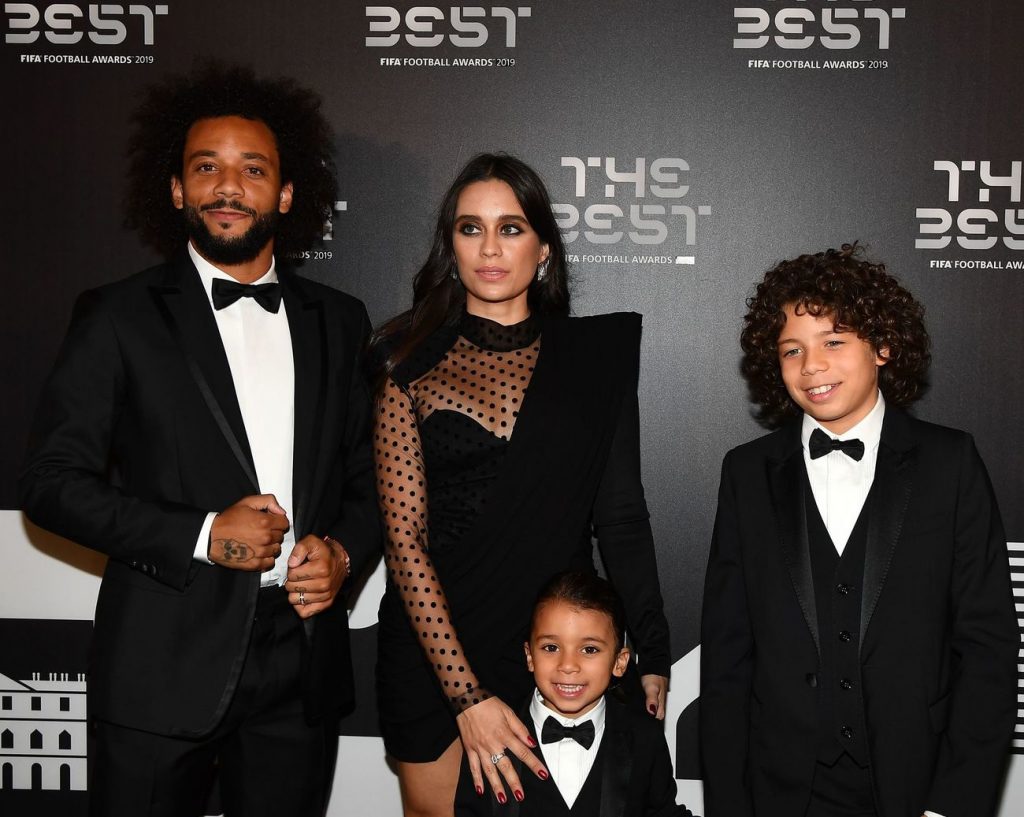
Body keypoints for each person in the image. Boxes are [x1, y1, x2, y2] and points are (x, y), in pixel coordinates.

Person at [19, 63, 379, 817]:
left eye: (252, 169)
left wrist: (343, 551)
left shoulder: (339, 321)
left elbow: (368, 478)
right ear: (177, 188)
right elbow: (51, 482)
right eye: (205, 167)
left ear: (285, 194)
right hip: (161, 656)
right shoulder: (116, 317)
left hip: (300, 660)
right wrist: (205, 534)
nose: (227, 186)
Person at [370, 153, 672, 816]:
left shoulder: (597, 359)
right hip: (431, 642)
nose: (490, 248)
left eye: (510, 228)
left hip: (552, 642)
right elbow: (406, 542)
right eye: (470, 228)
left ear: (543, 248)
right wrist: (465, 695)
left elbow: (620, 515)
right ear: (450, 245)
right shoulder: (405, 359)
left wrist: (651, 644)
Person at [699, 243, 1017, 817]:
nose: (811, 365)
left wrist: (955, 803)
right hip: (781, 792)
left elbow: (988, 647)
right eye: (791, 349)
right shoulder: (746, 474)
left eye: (834, 341)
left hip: (916, 789)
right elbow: (726, 660)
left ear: (885, 346)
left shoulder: (950, 464)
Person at [454, 571, 695, 816]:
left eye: (589, 649)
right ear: (529, 656)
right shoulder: (491, 736)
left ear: (620, 662)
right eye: (551, 647)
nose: (568, 665)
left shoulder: (644, 737)